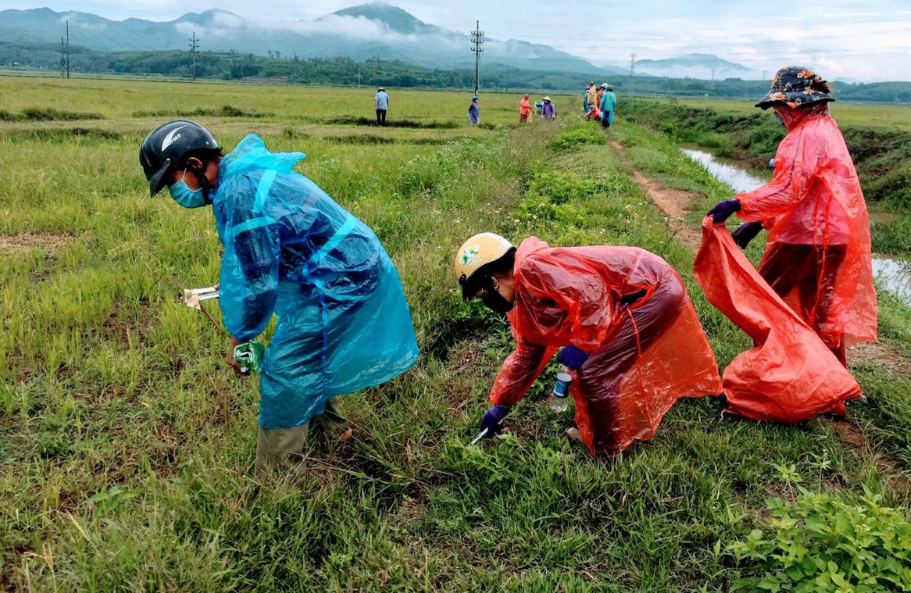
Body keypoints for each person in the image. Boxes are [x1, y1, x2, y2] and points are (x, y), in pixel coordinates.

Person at [140, 120, 419, 475]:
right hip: (348, 265)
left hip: (342, 278)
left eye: (171, 181)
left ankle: (277, 480)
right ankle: (333, 433)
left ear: (194, 165)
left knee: (285, 368)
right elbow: (262, 257)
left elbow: (259, 285)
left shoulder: (236, 193)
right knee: (308, 350)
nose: (174, 192)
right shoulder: (240, 178)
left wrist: (240, 338)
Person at [454, 233, 722, 459]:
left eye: (483, 295)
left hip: (651, 291)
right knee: (594, 367)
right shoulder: (522, 297)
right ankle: (596, 433)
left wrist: (584, 345)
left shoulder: (533, 268)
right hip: (631, 298)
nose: (487, 302)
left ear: (492, 279)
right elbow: (528, 354)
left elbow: (592, 294)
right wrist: (501, 405)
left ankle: (606, 451)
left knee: (595, 369)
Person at [706, 67, 877, 366]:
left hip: (807, 238)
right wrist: (758, 222)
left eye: (779, 107)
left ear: (795, 104)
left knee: (765, 303)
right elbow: (811, 195)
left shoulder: (806, 135)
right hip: (831, 236)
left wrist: (737, 203)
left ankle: (774, 371)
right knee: (818, 312)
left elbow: (789, 190)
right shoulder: (826, 129)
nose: (778, 113)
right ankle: (827, 381)